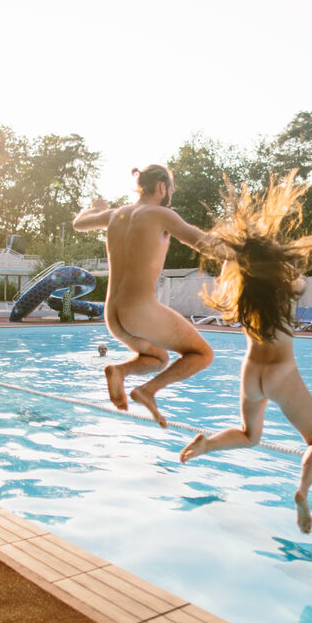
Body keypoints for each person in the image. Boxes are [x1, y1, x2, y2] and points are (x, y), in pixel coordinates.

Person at [179, 169, 312, 533]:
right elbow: (295, 275)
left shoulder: (241, 291)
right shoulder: (289, 286)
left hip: (251, 372)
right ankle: (302, 491)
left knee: (249, 435)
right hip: (281, 373)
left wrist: (240, 252)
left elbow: (229, 263)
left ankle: (207, 445)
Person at [72, 164, 222, 427]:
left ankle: (120, 371)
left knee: (159, 358)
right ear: (162, 187)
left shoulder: (115, 214)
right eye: (171, 188)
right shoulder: (161, 214)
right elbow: (203, 243)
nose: (171, 193)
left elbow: (78, 223)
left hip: (112, 315)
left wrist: (94, 208)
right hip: (140, 311)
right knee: (203, 354)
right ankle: (148, 390)